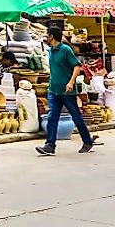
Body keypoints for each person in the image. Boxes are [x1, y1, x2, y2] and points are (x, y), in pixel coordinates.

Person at [36, 26, 95, 156]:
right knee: (52, 117)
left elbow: (77, 66)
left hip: (67, 90)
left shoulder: (65, 49)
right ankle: (50, 145)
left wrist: (71, 82)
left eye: (47, 35)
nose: (46, 37)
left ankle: (87, 141)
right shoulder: (51, 50)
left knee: (76, 117)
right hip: (54, 89)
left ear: (52, 36)